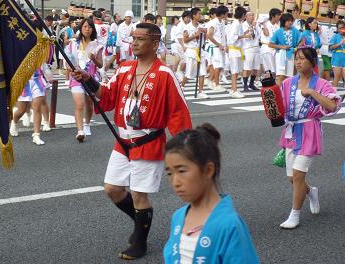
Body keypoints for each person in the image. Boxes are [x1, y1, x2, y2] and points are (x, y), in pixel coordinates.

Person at [71, 23, 192, 260]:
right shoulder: (125, 68)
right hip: (122, 140)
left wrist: (184, 150)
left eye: (140, 39)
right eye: (133, 38)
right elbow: (107, 96)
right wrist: (88, 80)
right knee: (112, 189)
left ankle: (140, 240)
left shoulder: (165, 75)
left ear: (155, 44)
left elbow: (179, 113)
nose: (134, 43)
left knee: (139, 195)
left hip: (148, 141)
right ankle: (140, 221)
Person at [163, 124, 259, 263]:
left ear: (208, 170)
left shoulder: (229, 224)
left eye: (182, 171)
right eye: (169, 173)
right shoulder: (178, 217)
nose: (175, 182)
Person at [277, 47, 341, 229]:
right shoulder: (288, 83)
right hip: (291, 131)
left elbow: (332, 106)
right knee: (292, 178)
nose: (298, 62)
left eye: (302, 59)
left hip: (309, 130)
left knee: (298, 175)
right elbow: (280, 106)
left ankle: (294, 215)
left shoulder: (321, 84)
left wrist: (313, 92)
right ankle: (311, 192)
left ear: (312, 62)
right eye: (296, 58)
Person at [66, 17, 103, 141]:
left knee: (89, 104)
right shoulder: (73, 44)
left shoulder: (97, 45)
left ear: (93, 29)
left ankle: (87, 124)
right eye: (85, 26)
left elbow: (100, 65)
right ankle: (80, 131)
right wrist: (71, 71)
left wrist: (94, 59)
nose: (87, 29)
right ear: (81, 28)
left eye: (90, 27)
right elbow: (67, 62)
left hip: (90, 78)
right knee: (79, 104)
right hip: (77, 78)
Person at [10, 69, 47, 145]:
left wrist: (48, 75)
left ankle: (36, 135)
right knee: (21, 110)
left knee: (37, 108)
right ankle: (14, 122)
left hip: (37, 81)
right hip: (22, 82)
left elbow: (44, 64)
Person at [269, 13, 302, 85]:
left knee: (289, 76)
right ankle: (279, 94)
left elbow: (302, 40)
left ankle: (287, 93)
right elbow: (270, 44)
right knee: (281, 76)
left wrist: (297, 48)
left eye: (291, 21)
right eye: (288, 21)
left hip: (291, 54)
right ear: (283, 21)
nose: (290, 22)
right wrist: (282, 47)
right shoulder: (278, 32)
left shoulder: (295, 31)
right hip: (281, 55)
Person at [183, 8, 208, 98]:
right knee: (189, 73)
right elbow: (185, 40)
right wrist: (195, 35)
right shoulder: (187, 27)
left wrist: (204, 34)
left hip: (200, 50)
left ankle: (201, 91)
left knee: (202, 72)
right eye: (198, 14)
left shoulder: (201, 26)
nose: (200, 16)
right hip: (192, 51)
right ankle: (181, 86)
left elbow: (204, 38)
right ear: (194, 15)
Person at [227, 6, 250, 98]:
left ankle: (233, 88)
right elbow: (233, 37)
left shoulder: (238, 23)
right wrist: (244, 36)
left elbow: (238, 35)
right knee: (234, 71)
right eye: (245, 15)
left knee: (236, 70)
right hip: (234, 50)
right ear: (243, 15)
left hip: (237, 50)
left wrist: (245, 34)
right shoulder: (236, 24)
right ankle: (234, 89)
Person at [207, 5, 229, 92]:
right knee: (217, 66)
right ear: (222, 14)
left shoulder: (222, 22)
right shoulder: (213, 22)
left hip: (221, 47)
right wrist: (218, 44)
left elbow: (224, 35)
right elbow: (209, 35)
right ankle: (217, 84)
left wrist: (224, 45)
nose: (227, 15)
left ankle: (213, 82)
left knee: (220, 66)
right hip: (216, 47)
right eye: (226, 13)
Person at [241, 11, 261, 91]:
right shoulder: (243, 25)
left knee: (255, 68)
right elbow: (242, 34)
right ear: (246, 17)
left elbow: (259, 34)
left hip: (256, 47)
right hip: (248, 48)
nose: (252, 17)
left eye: (253, 15)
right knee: (247, 67)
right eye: (249, 15)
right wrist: (250, 27)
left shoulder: (256, 25)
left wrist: (255, 27)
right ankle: (245, 85)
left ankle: (251, 84)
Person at [259, 8, 281, 77]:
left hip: (274, 50)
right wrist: (263, 24)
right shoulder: (265, 24)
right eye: (278, 15)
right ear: (273, 16)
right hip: (266, 49)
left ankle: (269, 86)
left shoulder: (278, 27)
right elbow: (266, 33)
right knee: (271, 71)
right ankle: (269, 86)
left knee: (271, 71)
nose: (279, 17)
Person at [329, 20, 345, 88]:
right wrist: (340, 43)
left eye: (343, 27)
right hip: (337, 60)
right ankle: (333, 95)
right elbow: (331, 47)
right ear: (337, 29)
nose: (341, 29)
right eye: (339, 28)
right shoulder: (335, 36)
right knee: (336, 78)